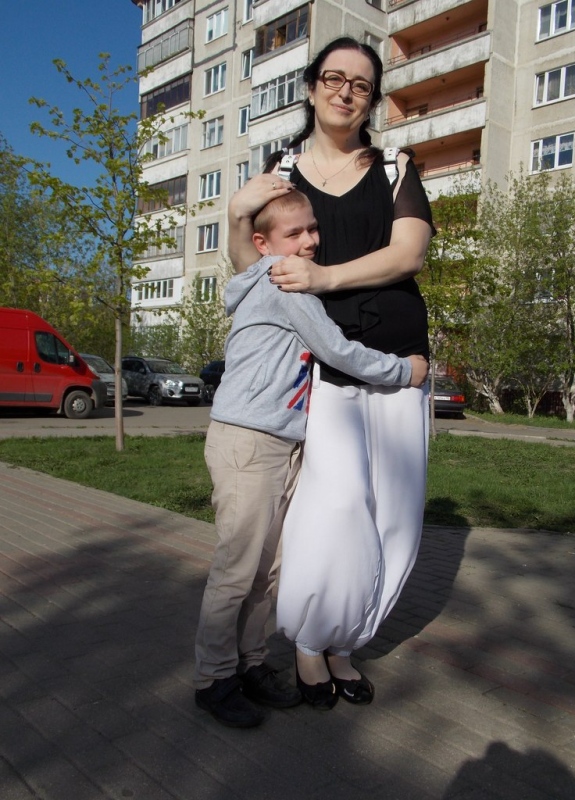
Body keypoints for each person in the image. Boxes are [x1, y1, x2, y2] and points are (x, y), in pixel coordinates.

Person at [227, 37, 435, 709]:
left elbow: (408, 254)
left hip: (400, 365)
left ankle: (348, 641)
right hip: (322, 367)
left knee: (393, 519)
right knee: (336, 507)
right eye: (335, 78)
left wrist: (324, 276)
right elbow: (254, 268)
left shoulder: (396, 166)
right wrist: (235, 214)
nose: (346, 92)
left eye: (361, 84)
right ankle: (311, 643)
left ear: (372, 99)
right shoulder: (281, 171)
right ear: (313, 86)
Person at [194, 189, 429, 728]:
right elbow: (337, 349)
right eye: (294, 232)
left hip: (278, 442)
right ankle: (213, 679)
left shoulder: (274, 279)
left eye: (312, 229)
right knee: (236, 570)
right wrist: (404, 371)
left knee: (268, 571)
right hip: (249, 442)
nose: (309, 241)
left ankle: (252, 664)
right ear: (263, 244)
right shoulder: (283, 283)